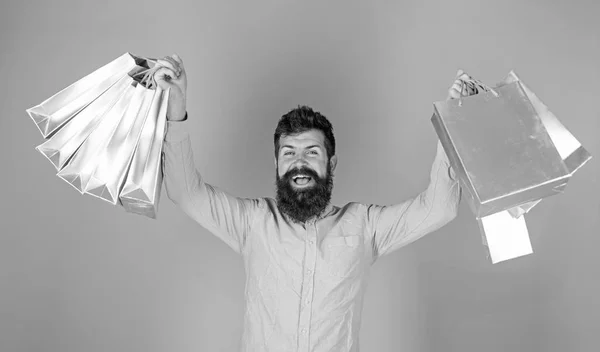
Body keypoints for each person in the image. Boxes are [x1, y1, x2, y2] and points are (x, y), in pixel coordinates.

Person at [153, 54, 469, 352]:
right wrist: (176, 105)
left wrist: (454, 121)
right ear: (276, 163)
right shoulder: (253, 221)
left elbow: (438, 207)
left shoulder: (364, 226)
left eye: (312, 152)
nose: (299, 162)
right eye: (289, 152)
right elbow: (185, 192)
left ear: (331, 165)